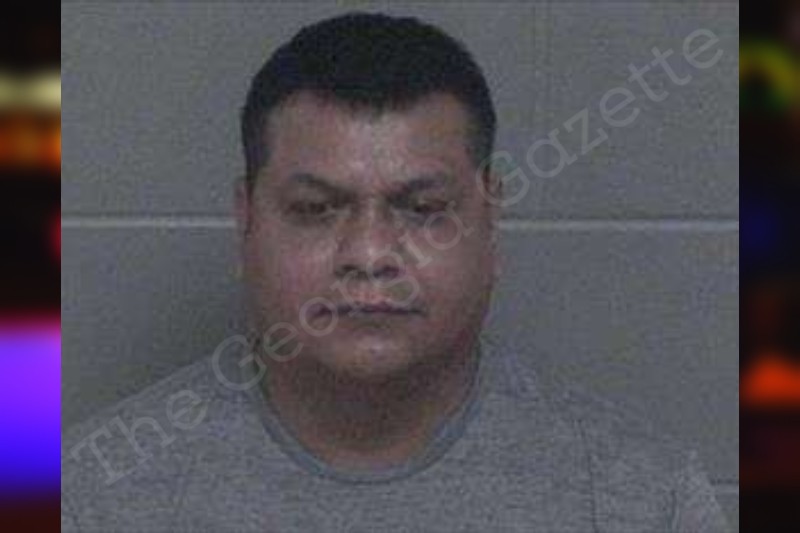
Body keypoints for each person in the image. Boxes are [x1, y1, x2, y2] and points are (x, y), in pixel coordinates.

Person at [61, 12, 729, 532]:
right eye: (316, 210)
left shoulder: (644, 501)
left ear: (490, 219)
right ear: (246, 221)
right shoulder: (92, 498)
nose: (370, 253)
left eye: (423, 209)